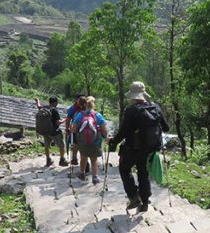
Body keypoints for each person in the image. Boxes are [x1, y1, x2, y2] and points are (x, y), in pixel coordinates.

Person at [108, 81, 169, 212]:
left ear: (133, 96)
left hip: (132, 148)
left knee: (124, 169)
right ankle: (145, 202)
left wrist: (113, 141)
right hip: (149, 148)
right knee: (143, 172)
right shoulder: (155, 107)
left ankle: (134, 197)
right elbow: (166, 128)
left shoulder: (131, 110)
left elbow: (123, 132)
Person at [71, 96, 108, 184]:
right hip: (95, 141)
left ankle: (82, 174)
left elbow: (74, 129)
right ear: (93, 104)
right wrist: (105, 136)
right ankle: (95, 177)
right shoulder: (97, 115)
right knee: (94, 159)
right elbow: (104, 129)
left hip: (82, 142)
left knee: (83, 157)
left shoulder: (80, 114)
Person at [35, 96, 67, 168]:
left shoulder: (44, 108)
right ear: (55, 103)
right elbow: (58, 122)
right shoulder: (54, 111)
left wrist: (38, 100)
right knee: (62, 146)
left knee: (47, 146)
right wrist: (66, 119)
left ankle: (48, 160)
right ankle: (62, 160)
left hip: (45, 131)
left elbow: (39, 106)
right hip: (54, 132)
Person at [66, 94, 85, 167]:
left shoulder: (75, 108)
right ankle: (75, 158)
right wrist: (67, 128)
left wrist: (68, 128)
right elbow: (68, 119)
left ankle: (77, 158)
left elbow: (68, 119)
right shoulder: (73, 108)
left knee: (75, 144)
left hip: (76, 128)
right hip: (76, 129)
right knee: (74, 144)